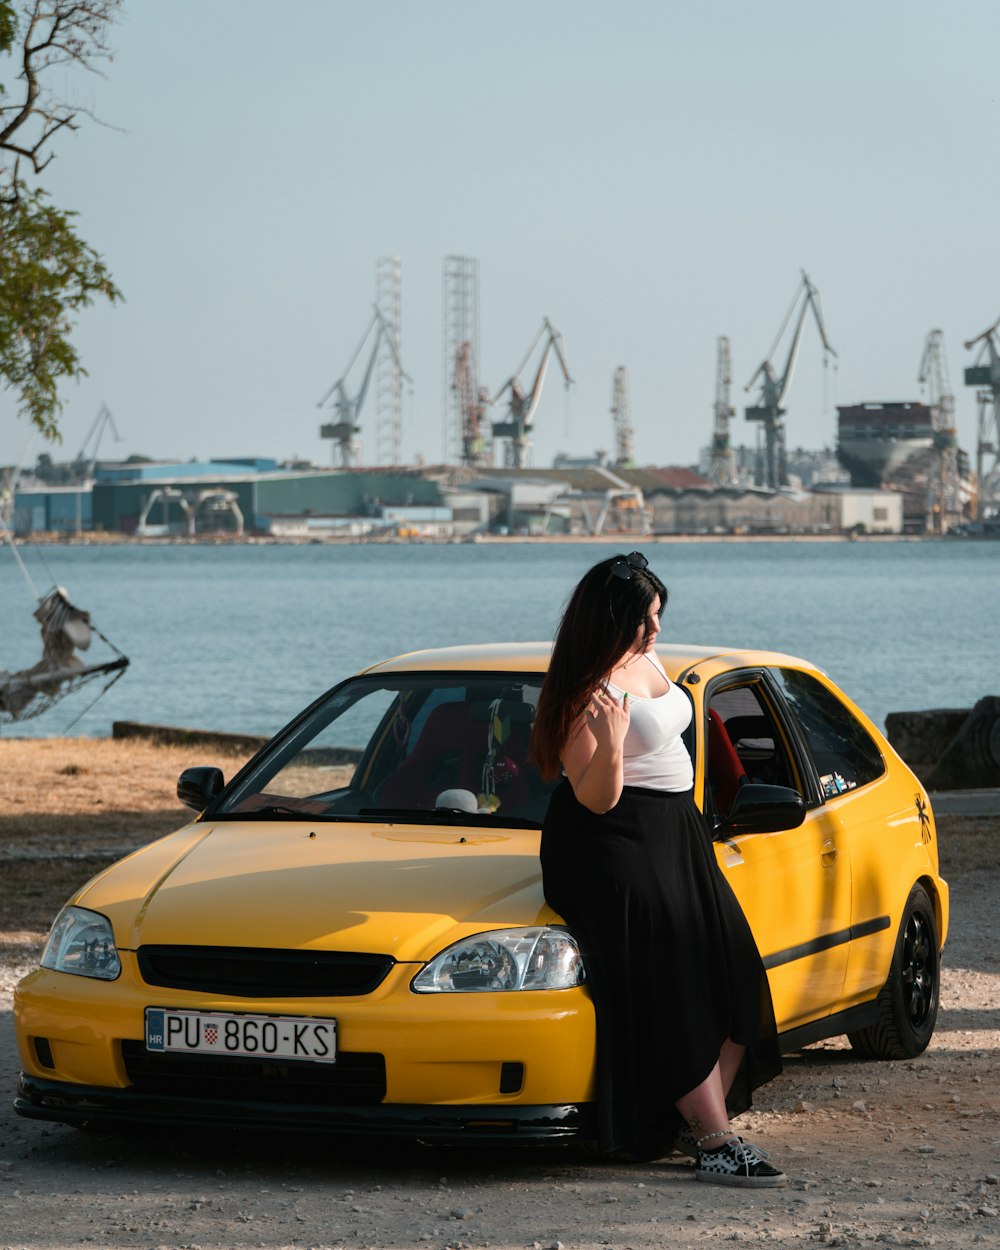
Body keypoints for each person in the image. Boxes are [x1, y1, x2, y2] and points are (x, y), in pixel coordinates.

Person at [532, 551, 786, 1188]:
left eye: (658, 617)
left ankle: (690, 1121)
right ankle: (716, 1139)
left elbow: (671, 727)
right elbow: (596, 797)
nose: (657, 631)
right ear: (615, 622)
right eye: (648, 620)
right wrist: (614, 740)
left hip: (677, 835)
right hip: (611, 843)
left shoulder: (645, 662)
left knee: (732, 969)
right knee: (669, 979)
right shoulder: (579, 693)